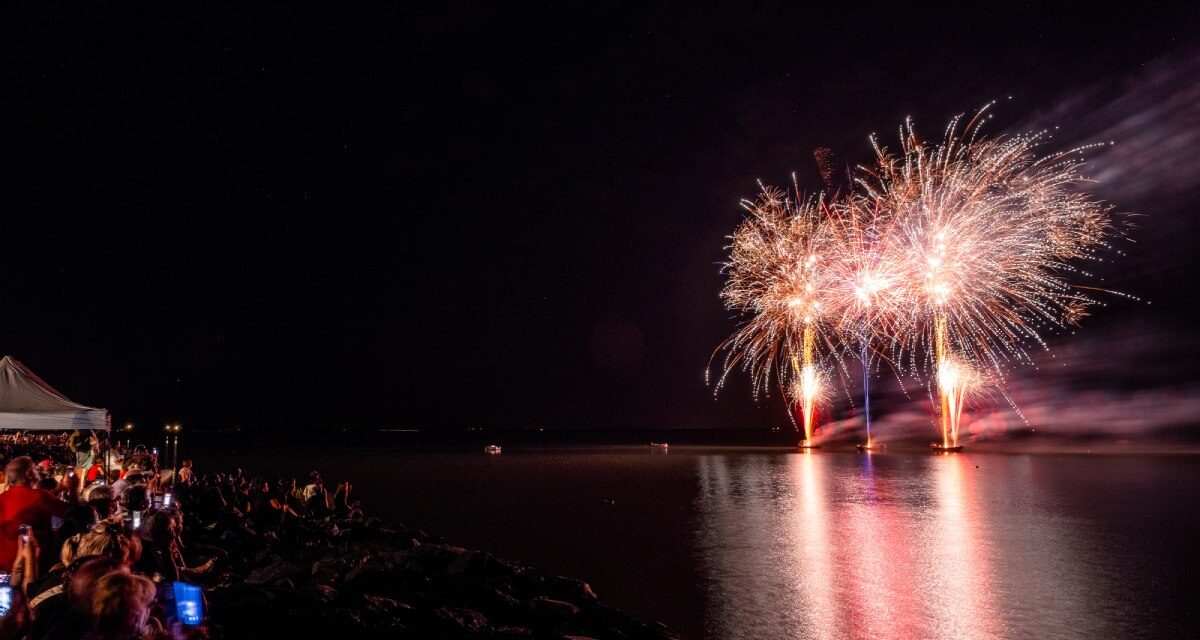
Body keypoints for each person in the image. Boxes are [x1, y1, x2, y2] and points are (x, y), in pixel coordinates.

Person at [0, 456, 70, 570]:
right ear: (29, 474)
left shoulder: (2, 498)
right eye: (35, 469)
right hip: (34, 566)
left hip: (4, 566)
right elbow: (74, 514)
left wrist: (59, 489)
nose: (38, 471)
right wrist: (72, 489)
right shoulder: (39, 496)